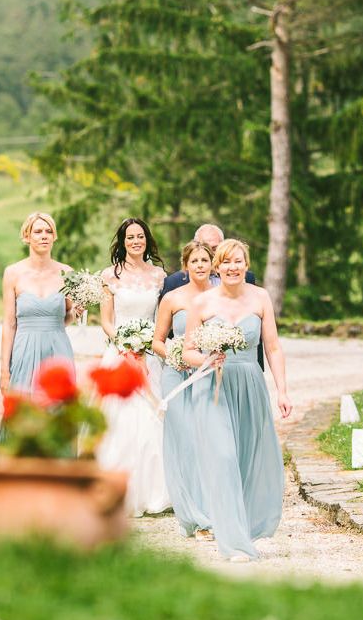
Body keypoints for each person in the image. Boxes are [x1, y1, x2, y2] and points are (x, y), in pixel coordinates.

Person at [182, 239, 292, 562]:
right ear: (218, 266)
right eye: (226, 262)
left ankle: (241, 528)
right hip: (213, 386)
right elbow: (187, 349)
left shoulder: (261, 298)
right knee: (224, 456)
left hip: (249, 383)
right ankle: (234, 544)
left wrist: (282, 390)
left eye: (238, 261)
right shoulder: (202, 303)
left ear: (246, 265)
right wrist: (205, 357)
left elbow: (272, 347)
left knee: (246, 459)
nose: (232, 267)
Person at [97, 218, 170, 516]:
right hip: (119, 354)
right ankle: (117, 491)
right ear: (122, 242)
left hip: (150, 355)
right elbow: (105, 320)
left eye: (140, 236)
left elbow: (161, 318)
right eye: (130, 237)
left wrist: (145, 345)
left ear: (147, 240)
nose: (135, 241)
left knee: (154, 420)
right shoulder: (109, 276)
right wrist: (125, 345)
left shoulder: (159, 276)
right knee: (119, 422)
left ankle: (156, 492)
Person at [152, 241, 214, 540]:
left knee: (206, 441)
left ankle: (212, 509)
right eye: (195, 261)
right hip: (176, 376)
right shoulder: (172, 298)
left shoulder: (219, 298)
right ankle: (193, 516)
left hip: (208, 376)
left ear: (212, 264)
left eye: (205, 260)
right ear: (185, 266)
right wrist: (173, 356)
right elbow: (157, 340)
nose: (200, 265)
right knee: (184, 442)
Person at [0, 212, 76, 442]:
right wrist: (4, 370)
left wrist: (76, 311)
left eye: (48, 231)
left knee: (58, 412)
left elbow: (66, 316)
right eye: (38, 231)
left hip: (58, 349)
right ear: (27, 236)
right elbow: (10, 323)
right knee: (23, 411)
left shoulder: (66, 272)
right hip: (24, 349)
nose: (44, 236)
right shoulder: (13, 273)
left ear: (54, 237)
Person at [160, 224, 264, 370]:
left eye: (215, 248)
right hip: (187, 366)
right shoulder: (173, 282)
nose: (210, 254)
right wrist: (178, 357)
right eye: (206, 247)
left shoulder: (242, 276)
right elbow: (164, 334)